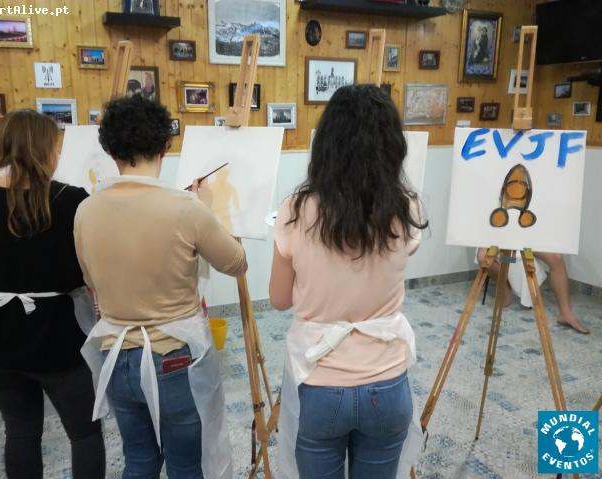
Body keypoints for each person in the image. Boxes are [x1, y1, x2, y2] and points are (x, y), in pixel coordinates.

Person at [74, 94, 247, 479]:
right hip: (172, 357)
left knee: (139, 461)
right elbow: (237, 263)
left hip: (116, 355)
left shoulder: (85, 210)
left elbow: (90, 285)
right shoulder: (186, 207)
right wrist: (211, 209)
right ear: (166, 144)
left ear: (109, 149)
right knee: (186, 465)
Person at [270, 84, 428, 479]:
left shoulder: (296, 209)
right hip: (387, 382)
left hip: (319, 381)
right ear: (393, 146)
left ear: (326, 144)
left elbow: (279, 299)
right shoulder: (405, 207)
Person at [0, 109, 105, 479]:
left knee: (21, 431)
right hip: (57, 339)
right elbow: (91, 271)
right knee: (85, 432)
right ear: (46, 150)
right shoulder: (71, 200)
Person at [476, 248, 589, 334]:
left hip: (528, 234)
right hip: (500, 233)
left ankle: (566, 313)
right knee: (483, 256)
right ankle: (505, 287)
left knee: (556, 257)